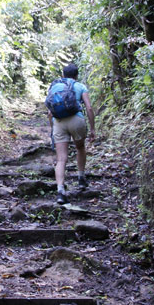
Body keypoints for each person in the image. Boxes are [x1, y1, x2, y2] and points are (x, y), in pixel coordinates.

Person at [46, 63, 95, 204]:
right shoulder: (80, 86)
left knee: (61, 159)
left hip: (59, 122)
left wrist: (52, 128)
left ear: (63, 75)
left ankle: (60, 191)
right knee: (80, 148)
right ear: (76, 75)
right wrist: (92, 129)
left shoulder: (55, 87)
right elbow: (89, 108)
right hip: (77, 120)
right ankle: (81, 178)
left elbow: (50, 112)